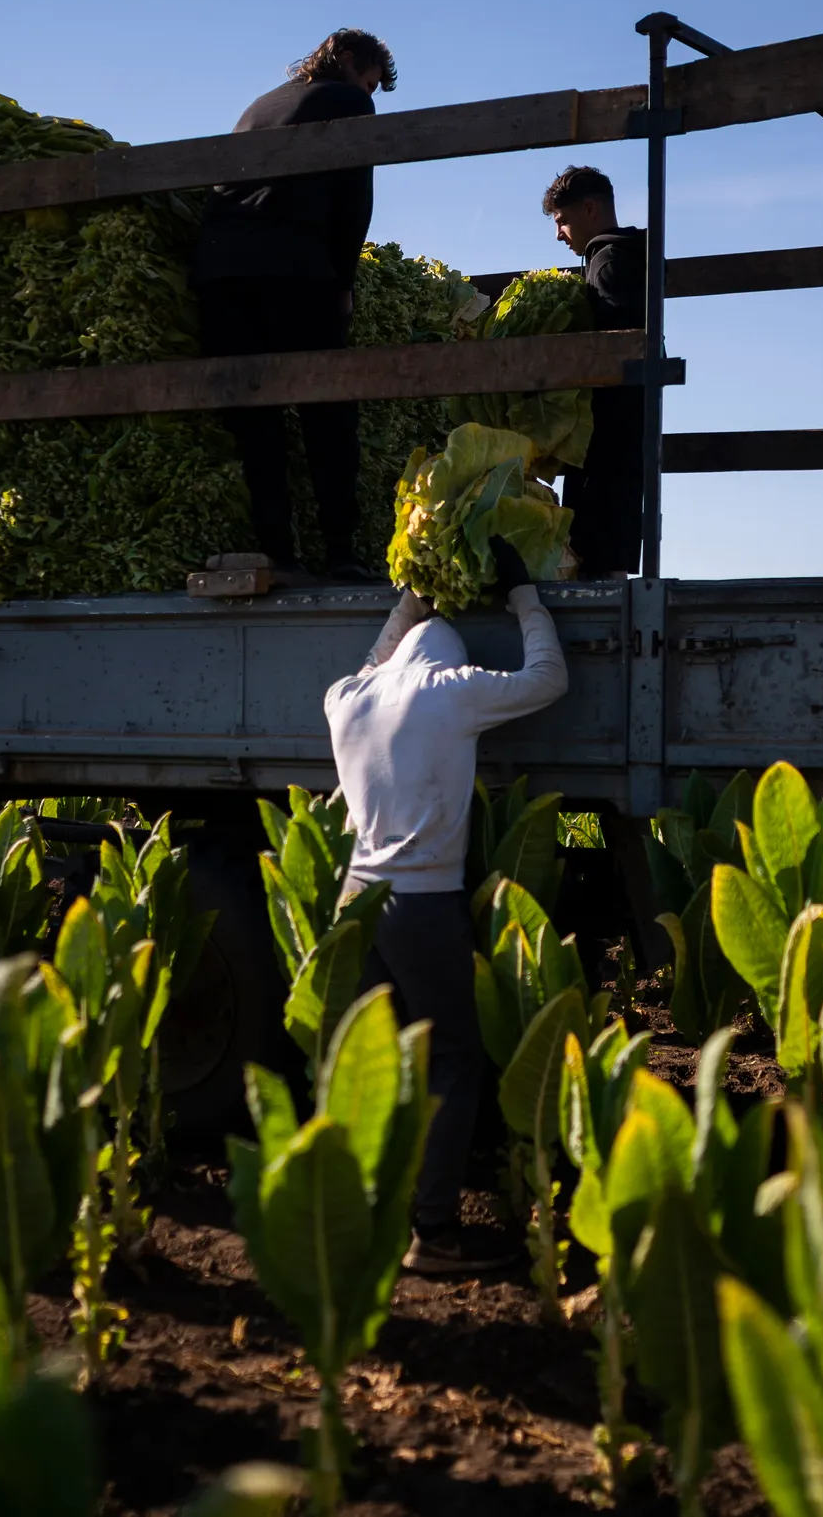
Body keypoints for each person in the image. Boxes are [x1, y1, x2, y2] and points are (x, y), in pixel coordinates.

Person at [324, 542, 569, 1274]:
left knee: (378, 1057)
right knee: (454, 1060)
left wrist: (409, 601)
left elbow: (374, 660)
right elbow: (547, 678)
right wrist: (525, 594)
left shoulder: (346, 698)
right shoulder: (452, 688)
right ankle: (432, 1232)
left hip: (356, 902)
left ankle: (366, 1209)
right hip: (424, 903)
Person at [194, 29, 397, 583]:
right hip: (291, 266)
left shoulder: (259, 106)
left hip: (219, 272)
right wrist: (344, 282)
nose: (371, 96)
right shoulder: (348, 100)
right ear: (349, 62)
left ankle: (278, 553)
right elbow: (354, 199)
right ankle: (339, 552)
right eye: (371, 82)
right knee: (328, 409)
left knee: (256, 417)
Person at [542, 165, 647, 580]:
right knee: (611, 559)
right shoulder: (630, 255)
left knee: (596, 561)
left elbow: (611, 350)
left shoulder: (607, 264)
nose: (559, 234)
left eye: (562, 220)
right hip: (626, 432)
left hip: (604, 434)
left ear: (589, 208)